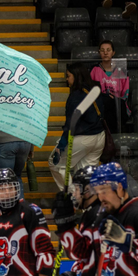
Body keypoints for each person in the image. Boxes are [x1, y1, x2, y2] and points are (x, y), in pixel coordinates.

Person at [49, 63, 105, 191]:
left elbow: (70, 124)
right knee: (87, 173)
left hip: (83, 138)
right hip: (100, 137)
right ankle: (90, 205)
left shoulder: (76, 96)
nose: (66, 79)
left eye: (68, 76)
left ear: (76, 76)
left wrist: (61, 145)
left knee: (56, 164)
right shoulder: (95, 89)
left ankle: (75, 198)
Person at [90, 40, 130, 134]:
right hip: (101, 104)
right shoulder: (94, 69)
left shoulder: (120, 68)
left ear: (113, 53)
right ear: (99, 52)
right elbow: (91, 91)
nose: (105, 52)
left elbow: (125, 91)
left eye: (108, 50)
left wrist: (116, 98)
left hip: (118, 103)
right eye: (102, 50)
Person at [0, 127, 33, 198]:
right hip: (25, 141)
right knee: (17, 176)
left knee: (3, 180)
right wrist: (31, 146)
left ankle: (5, 207)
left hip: (5, 140)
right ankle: (20, 207)